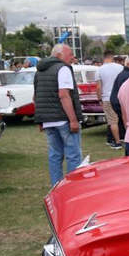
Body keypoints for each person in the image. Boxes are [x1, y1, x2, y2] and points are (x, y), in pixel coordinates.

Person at [33, 43, 83, 186]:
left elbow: (36, 96)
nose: (72, 58)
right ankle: (74, 186)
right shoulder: (63, 68)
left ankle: (56, 186)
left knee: (55, 155)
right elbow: (64, 95)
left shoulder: (39, 71)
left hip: (48, 120)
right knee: (73, 155)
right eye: (70, 55)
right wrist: (73, 120)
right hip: (63, 119)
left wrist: (40, 120)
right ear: (60, 55)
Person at [96, 50, 124, 149]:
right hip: (120, 96)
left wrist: (99, 99)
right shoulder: (120, 67)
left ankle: (117, 142)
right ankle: (125, 138)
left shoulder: (100, 69)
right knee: (123, 118)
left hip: (107, 97)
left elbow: (99, 87)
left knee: (112, 121)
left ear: (104, 57)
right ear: (112, 57)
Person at [110, 57, 129, 141]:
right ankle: (124, 137)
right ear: (128, 64)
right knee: (124, 120)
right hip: (119, 102)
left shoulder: (123, 73)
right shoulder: (127, 75)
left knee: (119, 121)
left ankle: (119, 137)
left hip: (115, 101)